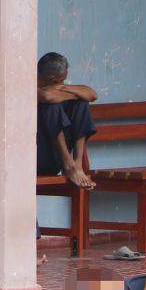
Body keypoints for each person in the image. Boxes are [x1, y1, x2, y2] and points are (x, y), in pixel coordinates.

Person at [36, 52, 97, 190]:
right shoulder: (29, 85)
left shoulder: (58, 87)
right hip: (38, 159)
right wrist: (70, 93)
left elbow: (92, 95)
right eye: (61, 81)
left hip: (55, 158)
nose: (63, 83)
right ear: (52, 79)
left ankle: (77, 164)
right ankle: (68, 164)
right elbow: (47, 97)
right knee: (52, 107)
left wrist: (63, 88)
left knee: (81, 103)